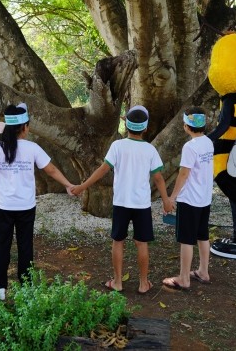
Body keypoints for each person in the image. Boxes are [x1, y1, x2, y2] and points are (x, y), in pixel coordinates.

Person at [0, 103, 75, 300]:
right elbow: (51, 170)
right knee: (25, 245)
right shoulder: (32, 148)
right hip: (26, 206)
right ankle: (27, 287)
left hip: (4, 206)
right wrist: (68, 185)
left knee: (2, 245)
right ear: (25, 127)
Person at [72, 105, 173, 294]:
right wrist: (166, 200)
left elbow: (103, 170)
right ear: (145, 128)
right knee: (141, 243)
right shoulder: (150, 150)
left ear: (126, 125)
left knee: (118, 241)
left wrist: (82, 186)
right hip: (141, 204)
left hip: (121, 203)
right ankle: (143, 283)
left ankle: (118, 282)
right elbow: (158, 178)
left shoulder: (117, 146)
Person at [162, 108, 213, 291]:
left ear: (186, 126)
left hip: (190, 199)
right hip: (204, 198)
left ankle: (184, 279)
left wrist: (172, 197)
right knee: (202, 235)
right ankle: (203, 272)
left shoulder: (190, 147)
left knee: (186, 239)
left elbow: (184, 174)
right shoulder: (208, 142)